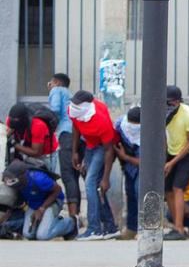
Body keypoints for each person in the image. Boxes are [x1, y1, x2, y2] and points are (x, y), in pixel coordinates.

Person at [69, 90, 120, 241]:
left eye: (77, 104)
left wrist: (106, 178)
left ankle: (94, 229)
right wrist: (75, 152)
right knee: (95, 187)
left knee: (91, 183)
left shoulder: (100, 119)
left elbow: (109, 150)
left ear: (86, 105)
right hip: (89, 145)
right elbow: (76, 127)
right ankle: (110, 227)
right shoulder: (74, 109)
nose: (74, 106)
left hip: (102, 148)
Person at [2, 159, 77, 240]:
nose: (9, 181)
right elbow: (14, 203)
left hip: (51, 202)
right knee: (28, 234)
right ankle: (46, 223)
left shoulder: (38, 179)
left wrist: (42, 209)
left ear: (22, 176)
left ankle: (70, 223)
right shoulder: (16, 184)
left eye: (12, 179)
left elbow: (57, 190)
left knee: (42, 235)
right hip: (33, 204)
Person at [164, 85, 189, 241]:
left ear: (178, 102)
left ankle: (180, 229)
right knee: (167, 190)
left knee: (177, 187)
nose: (167, 106)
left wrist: (172, 163)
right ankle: (177, 224)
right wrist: (165, 158)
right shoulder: (163, 113)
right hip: (172, 152)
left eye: (170, 103)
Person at [48, 73, 82, 217]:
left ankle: (73, 216)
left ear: (56, 82)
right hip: (78, 136)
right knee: (74, 175)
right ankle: (77, 213)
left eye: (51, 82)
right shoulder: (70, 95)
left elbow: (55, 110)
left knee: (67, 175)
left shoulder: (56, 90)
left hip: (66, 135)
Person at [6, 103, 59, 171]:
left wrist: (14, 144)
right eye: (11, 119)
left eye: (16, 120)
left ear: (23, 119)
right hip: (28, 150)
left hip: (45, 155)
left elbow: (36, 152)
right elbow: (7, 133)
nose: (13, 122)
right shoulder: (10, 120)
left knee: (43, 179)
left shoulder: (38, 125)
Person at [114, 106, 141, 240]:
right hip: (128, 166)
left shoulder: (151, 131)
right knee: (130, 193)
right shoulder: (120, 125)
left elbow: (147, 162)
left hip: (142, 167)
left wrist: (126, 157)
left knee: (140, 193)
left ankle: (144, 229)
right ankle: (131, 228)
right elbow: (114, 142)